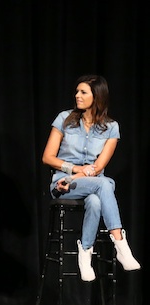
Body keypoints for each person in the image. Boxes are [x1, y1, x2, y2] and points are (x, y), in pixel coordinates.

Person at [42, 74, 141, 282]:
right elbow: (48, 157)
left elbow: (98, 167)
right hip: (63, 183)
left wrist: (76, 176)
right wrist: (73, 171)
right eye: (77, 91)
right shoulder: (64, 119)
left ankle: (85, 252)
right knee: (106, 184)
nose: (77, 95)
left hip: (90, 183)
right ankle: (120, 243)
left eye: (83, 92)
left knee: (96, 200)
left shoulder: (111, 128)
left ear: (97, 97)